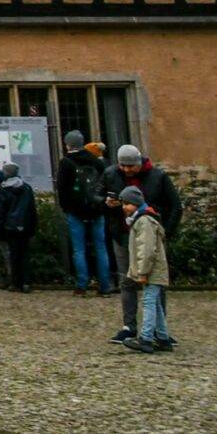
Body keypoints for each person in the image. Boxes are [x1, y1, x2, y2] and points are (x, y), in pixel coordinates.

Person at [104, 144, 182, 345]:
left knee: (155, 284)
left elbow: (175, 206)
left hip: (151, 236)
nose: (127, 170)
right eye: (123, 166)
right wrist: (105, 202)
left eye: (131, 166)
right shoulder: (111, 174)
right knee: (127, 281)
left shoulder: (158, 177)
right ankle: (129, 326)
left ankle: (157, 330)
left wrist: (165, 233)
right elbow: (96, 195)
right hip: (123, 235)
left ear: (139, 162)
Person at [56, 131, 115, 297]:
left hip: (75, 210)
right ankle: (105, 286)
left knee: (79, 249)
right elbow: (105, 184)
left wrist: (66, 207)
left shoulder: (66, 162)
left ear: (68, 144)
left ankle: (82, 285)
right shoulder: (96, 161)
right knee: (101, 248)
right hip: (96, 209)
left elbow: (62, 188)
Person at [116, 186, 174, 352]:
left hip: (151, 270)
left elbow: (146, 249)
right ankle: (163, 337)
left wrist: (142, 272)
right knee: (155, 303)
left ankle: (146, 338)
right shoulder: (143, 220)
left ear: (136, 204)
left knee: (149, 302)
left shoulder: (144, 221)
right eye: (123, 203)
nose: (124, 207)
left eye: (127, 203)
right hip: (153, 269)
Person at [0, 160, 37, 292]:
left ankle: (16, 283)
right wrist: (32, 226)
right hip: (25, 226)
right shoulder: (26, 188)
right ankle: (26, 282)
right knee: (25, 254)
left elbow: (0, 212)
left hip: (10, 227)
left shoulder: (4, 190)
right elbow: (31, 209)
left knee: (13, 255)